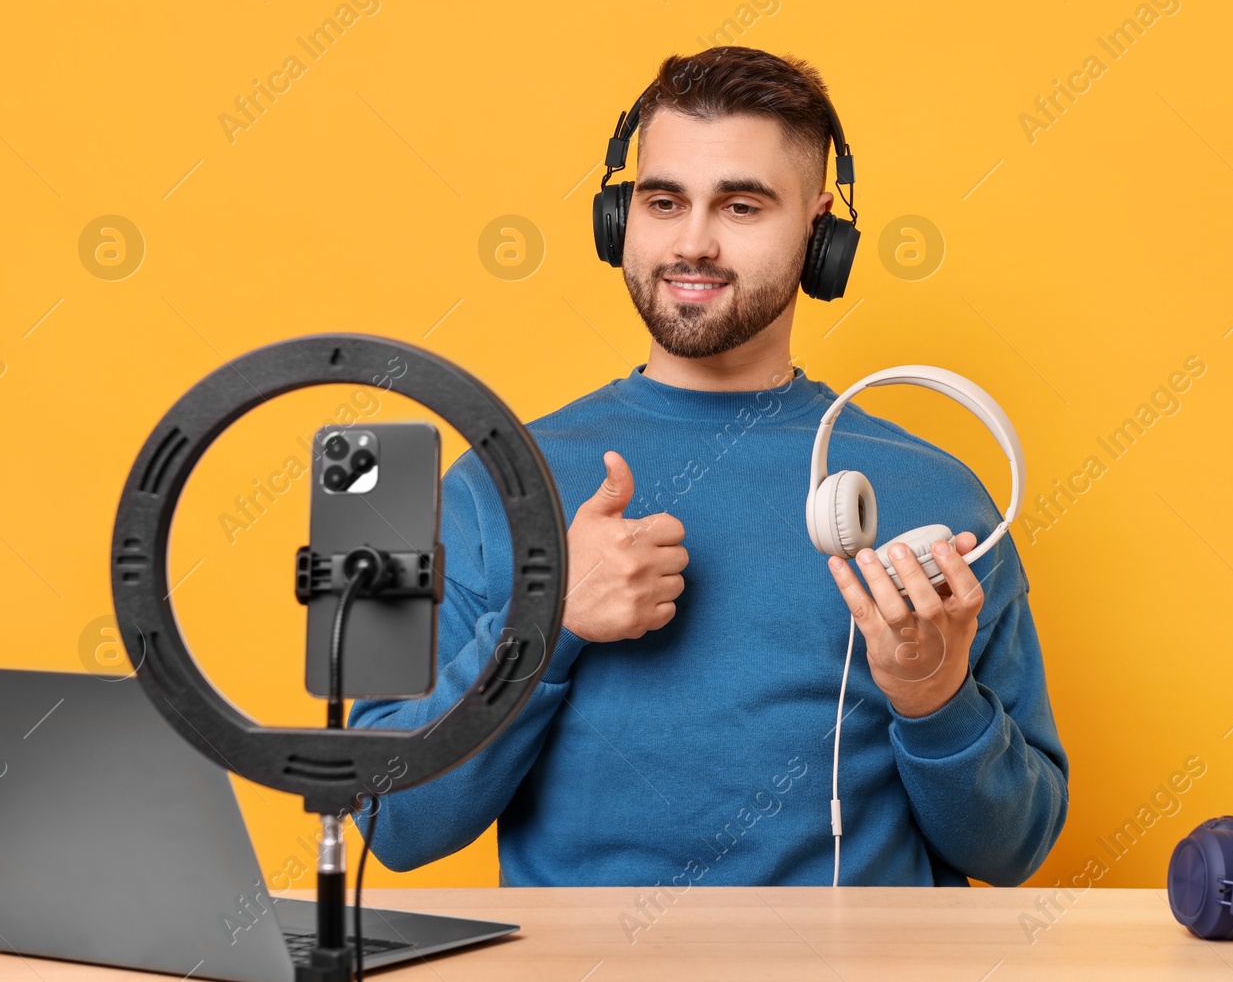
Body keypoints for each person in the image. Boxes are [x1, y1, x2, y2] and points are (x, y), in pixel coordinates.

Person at [350, 45, 1068, 888]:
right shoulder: (495, 483)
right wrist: (547, 623)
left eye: (741, 206)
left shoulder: (932, 495)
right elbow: (388, 819)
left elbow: (1016, 849)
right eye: (663, 201)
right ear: (620, 218)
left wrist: (937, 701)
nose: (692, 243)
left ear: (820, 230)